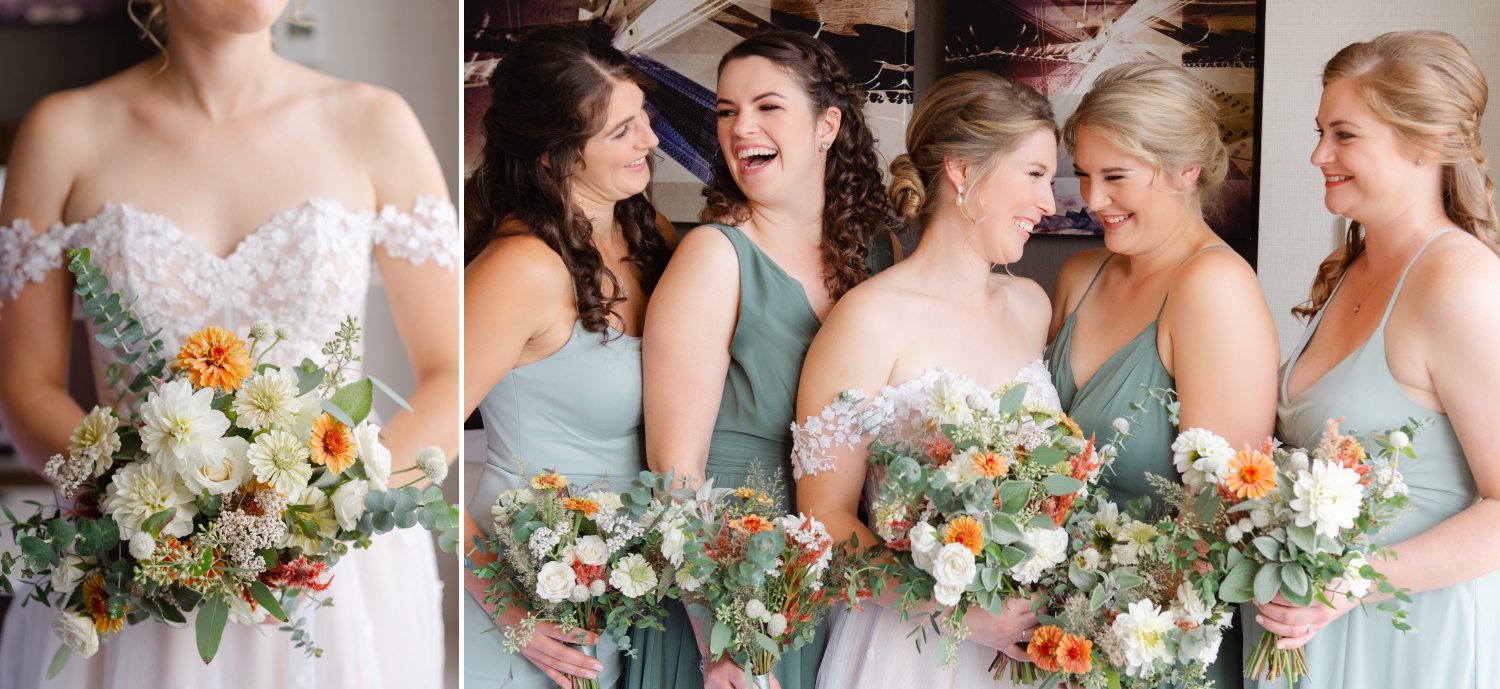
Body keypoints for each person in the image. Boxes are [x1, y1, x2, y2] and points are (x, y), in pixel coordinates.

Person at [0, 1, 458, 688]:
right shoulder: (63, 132)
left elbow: (452, 368)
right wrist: (152, 509)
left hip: (332, 574)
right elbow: (26, 384)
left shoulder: (374, 122)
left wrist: (337, 511)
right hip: (135, 569)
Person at [633, 30, 900, 689]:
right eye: (726, 111)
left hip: (833, 578)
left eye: (767, 106)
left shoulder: (877, 261)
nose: (740, 127)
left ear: (827, 125)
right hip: (727, 589)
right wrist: (722, 632)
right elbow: (674, 472)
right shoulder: (714, 257)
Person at [1247, 30, 1500, 688]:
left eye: (1344, 134)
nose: (1318, 153)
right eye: (1319, 131)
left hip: (1407, 642)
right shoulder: (1353, 268)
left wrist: (1348, 582)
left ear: (1423, 142)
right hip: (1314, 633)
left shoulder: (1461, 284)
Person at [792, 70, 1059, 688]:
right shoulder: (869, 319)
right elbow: (824, 517)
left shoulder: (1030, 307)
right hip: (911, 647)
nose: (1049, 203)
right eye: (1034, 175)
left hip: (1029, 646)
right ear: (962, 171)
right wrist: (957, 610)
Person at [1045, 61, 1280, 688]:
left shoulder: (1214, 288)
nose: (1093, 200)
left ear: (1186, 171)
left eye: (1116, 176)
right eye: (1085, 175)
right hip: (1050, 635)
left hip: (1153, 647)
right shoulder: (1080, 276)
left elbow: (1224, 514)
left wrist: (1119, 645)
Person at [460, 25, 676, 689]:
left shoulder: (652, 236)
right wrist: (507, 604)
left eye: (644, 117)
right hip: (532, 610)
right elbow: (405, 460)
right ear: (555, 156)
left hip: (631, 599)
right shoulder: (522, 269)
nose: (651, 140)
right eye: (622, 131)